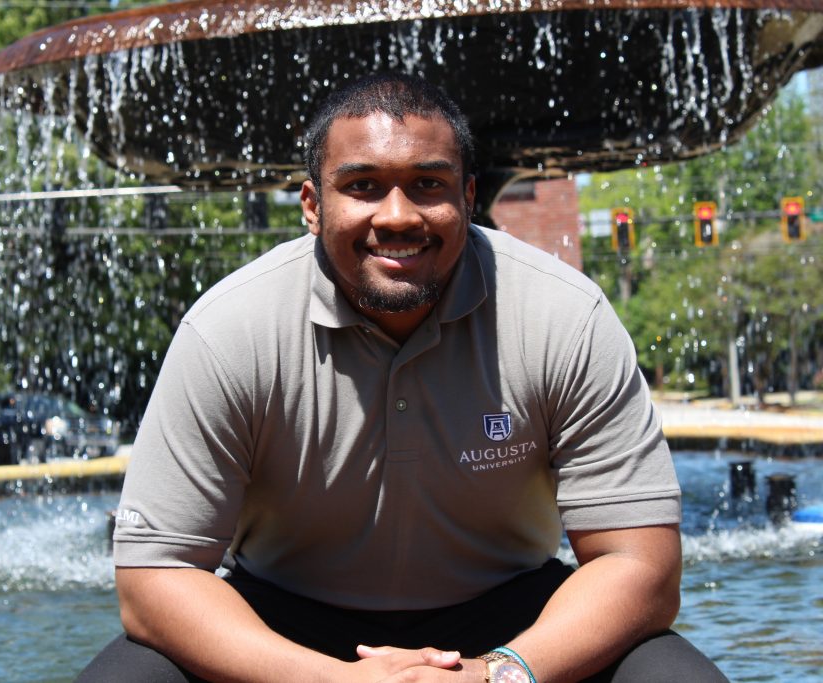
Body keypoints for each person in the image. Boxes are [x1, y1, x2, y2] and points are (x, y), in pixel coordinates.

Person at [78, 73, 728, 683]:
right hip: (282, 625)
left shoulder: (567, 316)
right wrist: (335, 679)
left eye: (427, 184)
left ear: (469, 197)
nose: (397, 215)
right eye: (362, 185)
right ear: (312, 204)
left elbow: (639, 564)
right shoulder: (226, 330)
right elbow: (154, 578)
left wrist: (499, 672)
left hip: (514, 620)